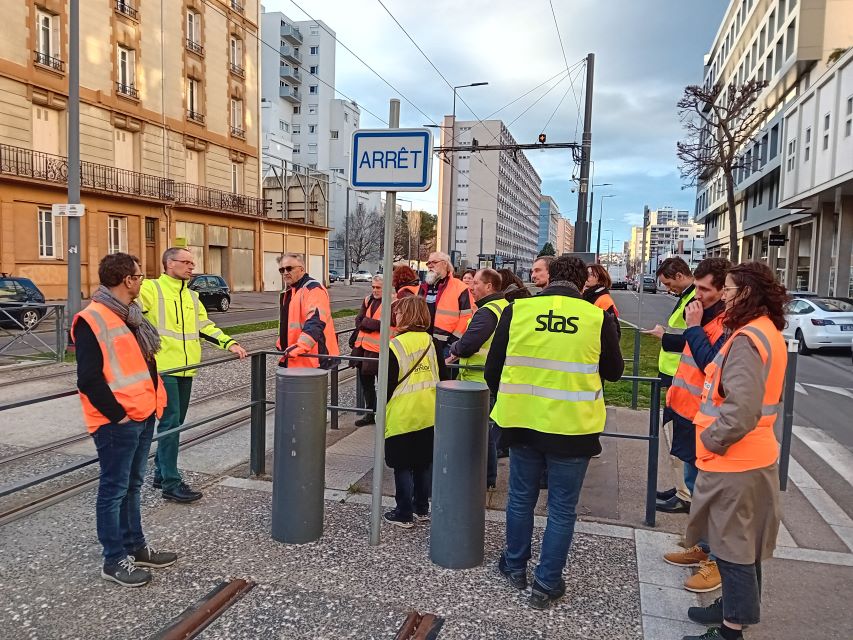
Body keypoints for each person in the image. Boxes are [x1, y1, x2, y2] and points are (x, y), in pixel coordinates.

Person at [486, 256, 624, 609]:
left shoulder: (517, 311)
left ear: (551, 279)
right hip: (573, 427)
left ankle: (514, 566)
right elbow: (614, 371)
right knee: (562, 509)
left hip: (522, 422)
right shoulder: (598, 317)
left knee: (520, 498)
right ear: (583, 284)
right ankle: (546, 584)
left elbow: (493, 370)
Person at [681, 262, 788, 640]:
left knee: (733, 549)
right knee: (744, 545)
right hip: (751, 456)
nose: (723, 295)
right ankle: (731, 609)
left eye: (727, 288)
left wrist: (712, 440)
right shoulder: (763, 331)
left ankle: (731, 630)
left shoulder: (747, 339)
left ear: (744, 292)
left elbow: (741, 409)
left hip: (735, 460)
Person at [73, 253, 176, 587]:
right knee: (114, 489)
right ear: (127, 280)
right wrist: (118, 416)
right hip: (118, 421)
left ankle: (136, 546)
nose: (141, 281)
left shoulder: (131, 316)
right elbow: (88, 379)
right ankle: (113, 559)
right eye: (139, 276)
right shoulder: (93, 318)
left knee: (132, 485)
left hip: (142, 412)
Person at [139, 248, 247, 504]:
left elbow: (204, 326)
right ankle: (171, 483)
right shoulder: (151, 289)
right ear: (168, 263)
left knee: (175, 423)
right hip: (164, 369)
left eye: (192, 263)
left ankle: (160, 472)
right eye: (185, 262)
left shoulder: (191, 296)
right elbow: (128, 313)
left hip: (186, 369)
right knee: (170, 424)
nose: (191, 267)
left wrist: (229, 343)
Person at [659, 258, 730, 595]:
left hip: (710, 420)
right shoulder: (702, 314)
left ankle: (717, 558)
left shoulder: (726, 321)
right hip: (688, 411)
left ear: (723, 290)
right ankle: (702, 545)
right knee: (693, 485)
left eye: (705, 289)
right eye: (696, 287)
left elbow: (710, 362)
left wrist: (694, 326)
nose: (697, 295)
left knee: (710, 492)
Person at [382, 296, 446, 528]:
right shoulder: (433, 342)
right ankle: (421, 508)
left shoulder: (395, 345)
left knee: (402, 465)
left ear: (407, 315)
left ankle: (404, 513)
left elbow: (386, 385)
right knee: (423, 463)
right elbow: (444, 376)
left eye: (399, 312)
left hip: (402, 414)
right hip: (428, 412)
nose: (396, 316)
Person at [447, 268, 508, 488]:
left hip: (478, 379)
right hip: (491, 377)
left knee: (480, 433)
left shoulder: (486, 312)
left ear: (489, 286)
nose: (472, 288)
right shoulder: (503, 306)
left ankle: (483, 479)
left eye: (476, 284)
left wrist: (454, 347)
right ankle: (487, 478)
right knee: (487, 432)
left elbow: (467, 345)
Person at [644, 257, 696, 502]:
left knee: (680, 436)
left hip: (683, 377)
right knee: (675, 435)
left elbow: (693, 339)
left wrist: (663, 337)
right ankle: (681, 488)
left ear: (679, 275)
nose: (667, 289)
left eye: (668, 283)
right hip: (676, 374)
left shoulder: (694, 300)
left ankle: (685, 493)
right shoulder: (686, 296)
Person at [277, 253, 340, 368]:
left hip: (312, 359)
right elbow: (288, 323)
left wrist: (300, 347)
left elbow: (316, 321)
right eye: (282, 270)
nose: (285, 272)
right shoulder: (289, 292)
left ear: (301, 269)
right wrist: (281, 342)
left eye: (289, 268)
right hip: (295, 356)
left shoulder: (313, 289)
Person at [419, 252, 474, 360]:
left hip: (446, 348)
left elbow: (466, 318)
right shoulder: (423, 287)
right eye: (428, 263)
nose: (430, 265)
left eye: (434, 262)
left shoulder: (460, 287)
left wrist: (452, 343)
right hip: (422, 345)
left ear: (445, 264)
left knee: (444, 377)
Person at [350, 275, 383, 427]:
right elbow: (358, 320)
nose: (375, 290)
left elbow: (386, 324)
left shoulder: (394, 302)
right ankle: (370, 413)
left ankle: (382, 414)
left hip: (380, 350)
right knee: (366, 383)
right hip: (363, 348)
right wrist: (369, 324)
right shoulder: (368, 300)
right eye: (373, 287)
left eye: (378, 287)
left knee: (383, 384)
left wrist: (366, 323)